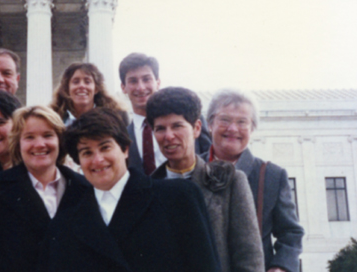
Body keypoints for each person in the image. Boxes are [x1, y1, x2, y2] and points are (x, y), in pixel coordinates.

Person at [41, 108, 221, 272]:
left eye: (105, 147)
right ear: (79, 161)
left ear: (125, 149)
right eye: (87, 153)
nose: (97, 160)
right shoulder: (65, 223)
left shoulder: (178, 196)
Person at [0, 106, 89, 272]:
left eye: (48, 135)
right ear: (18, 144)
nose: (39, 144)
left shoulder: (84, 188)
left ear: (60, 140)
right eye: (29, 137)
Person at [147, 87, 263, 272]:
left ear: (197, 128)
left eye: (177, 126)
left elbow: (249, 259)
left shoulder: (231, 182)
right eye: (160, 128)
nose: (169, 136)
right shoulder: (148, 190)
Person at [205, 89, 304, 272]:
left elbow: (291, 233)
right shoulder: (193, 170)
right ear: (210, 124)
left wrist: (280, 267)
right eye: (225, 120)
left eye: (242, 122)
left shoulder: (272, 175)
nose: (233, 129)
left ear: (252, 129)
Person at [118, 52, 212, 174]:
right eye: (133, 81)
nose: (140, 87)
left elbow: (210, 158)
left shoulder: (190, 119)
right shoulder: (122, 137)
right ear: (123, 87)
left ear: (158, 82)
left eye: (146, 79)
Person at [50, 62, 127, 127]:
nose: (81, 86)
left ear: (96, 88)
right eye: (76, 82)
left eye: (87, 82)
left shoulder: (118, 116)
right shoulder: (53, 119)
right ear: (67, 89)